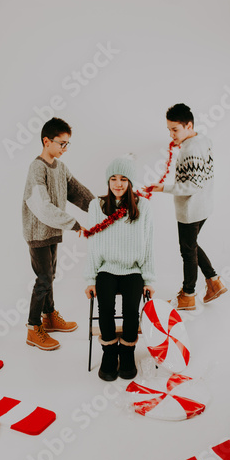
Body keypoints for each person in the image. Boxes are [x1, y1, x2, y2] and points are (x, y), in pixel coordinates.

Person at [22, 117, 94, 350]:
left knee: (50, 274)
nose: (64, 148)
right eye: (61, 143)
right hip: (38, 231)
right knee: (43, 279)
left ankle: (50, 316)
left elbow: (78, 192)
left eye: (67, 144)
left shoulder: (60, 167)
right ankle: (33, 329)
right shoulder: (37, 168)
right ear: (46, 141)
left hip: (52, 230)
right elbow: (42, 206)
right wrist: (74, 224)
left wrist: (99, 208)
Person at [150, 103, 227, 310]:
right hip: (203, 206)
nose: (171, 134)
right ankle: (213, 281)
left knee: (187, 251)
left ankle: (189, 294)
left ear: (188, 125)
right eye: (169, 130)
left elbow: (192, 185)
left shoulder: (190, 149)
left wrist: (161, 188)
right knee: (191, 246)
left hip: (191, 210)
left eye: (175, 129)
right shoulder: (203, 139)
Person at [84, 157, 155, 381]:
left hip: (133, 269)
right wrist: (90, 278)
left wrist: (149, 279)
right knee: (105, 308)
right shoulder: (97, 205)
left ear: (130, 182)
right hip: (107, 268)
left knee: (132, 310)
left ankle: (127, 352)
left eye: (123, 179)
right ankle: (109, 353)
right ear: (108, 181)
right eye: (113, 178)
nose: (118, 184)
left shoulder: (143, 206)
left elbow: (149, 243)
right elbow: (93, 244)